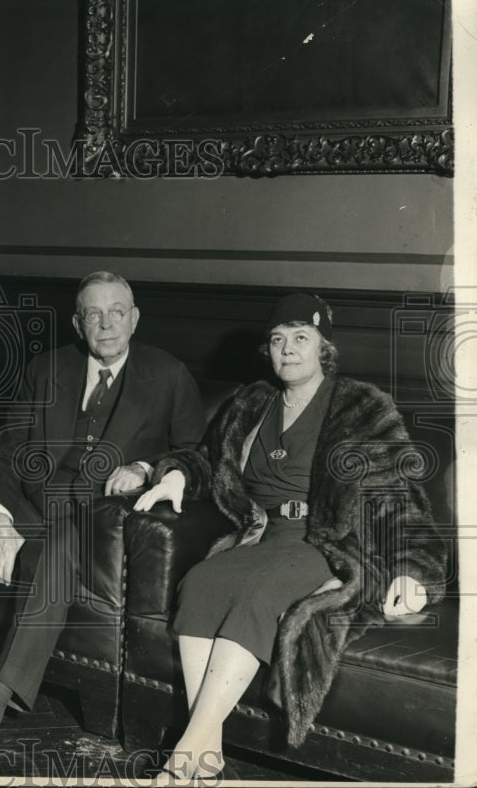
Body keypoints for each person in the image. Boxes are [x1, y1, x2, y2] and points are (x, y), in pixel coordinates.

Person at [0, 271, 208, 761]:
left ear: (135, 318)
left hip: (91, 520)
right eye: (93, 314)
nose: (106, 324)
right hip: (27, 502)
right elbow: (7, 443)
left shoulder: (168, 375)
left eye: (116, 312)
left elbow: (195, 454)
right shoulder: (48, 367)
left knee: (61, 551)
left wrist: (146, 468)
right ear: (77, 324)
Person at [135, 293, 447, 783]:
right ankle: (207, 757)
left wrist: (414, 571)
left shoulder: (359, 407)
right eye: (278, 339)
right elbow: (206, 459)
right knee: (200, 582)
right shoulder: (250, 402)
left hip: (326, 542)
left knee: (258, 597)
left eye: (302, 338)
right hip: (262, 534)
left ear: (324, 347)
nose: (288, 348)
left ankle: (185, 755)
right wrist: (175, 476)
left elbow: (401, 500)